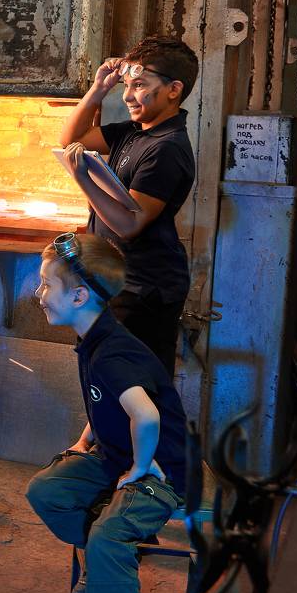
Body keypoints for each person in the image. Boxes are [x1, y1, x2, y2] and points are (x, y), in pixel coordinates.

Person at [26, 233, 189, 593]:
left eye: (47, 285)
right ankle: (102, 571)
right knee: (47, 491)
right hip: (116, 455)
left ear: (79, 296)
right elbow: (108, 403)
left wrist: (139, 467)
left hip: (160, 471)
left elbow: (147, 416)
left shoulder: (114, 352)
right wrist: (86, 439)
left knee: (107, 537)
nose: (39, 293)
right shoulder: (94, 338)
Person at [58, 37, 199, 376]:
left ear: (173, 90)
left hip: (142, 289)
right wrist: (98, 89)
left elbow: (129, 225)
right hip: (114, 279)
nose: (128, 95)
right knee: (105, 377)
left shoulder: (166, 148)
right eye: (126, 86)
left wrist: (82, 179)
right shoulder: (135, 132)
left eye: (140, 85)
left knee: (134, 385)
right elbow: (71, 140)